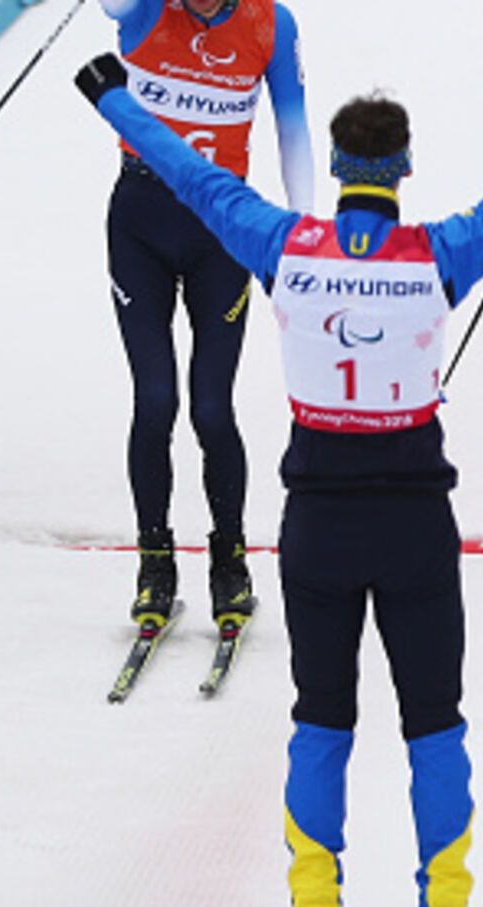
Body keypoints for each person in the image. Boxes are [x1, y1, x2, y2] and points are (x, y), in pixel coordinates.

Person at [75, 50, 483, 907]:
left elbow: (185, 169)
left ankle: (315, 904)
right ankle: (445, 906)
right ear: (403, 170)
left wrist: (112, 98)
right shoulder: (438, 252)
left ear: (335, 170)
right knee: (434, 727)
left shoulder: (283, 244)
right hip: (415, 533)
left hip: (317, 532)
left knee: (321, 722)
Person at [97, 0, 314, 636]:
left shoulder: (272, 22)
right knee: (155, 402)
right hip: (140, 222)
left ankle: (230, 561)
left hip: (223, 228)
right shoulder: (140, 10)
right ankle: (155, 563)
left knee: (212, 409)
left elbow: (293, 133)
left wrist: (299, 240)